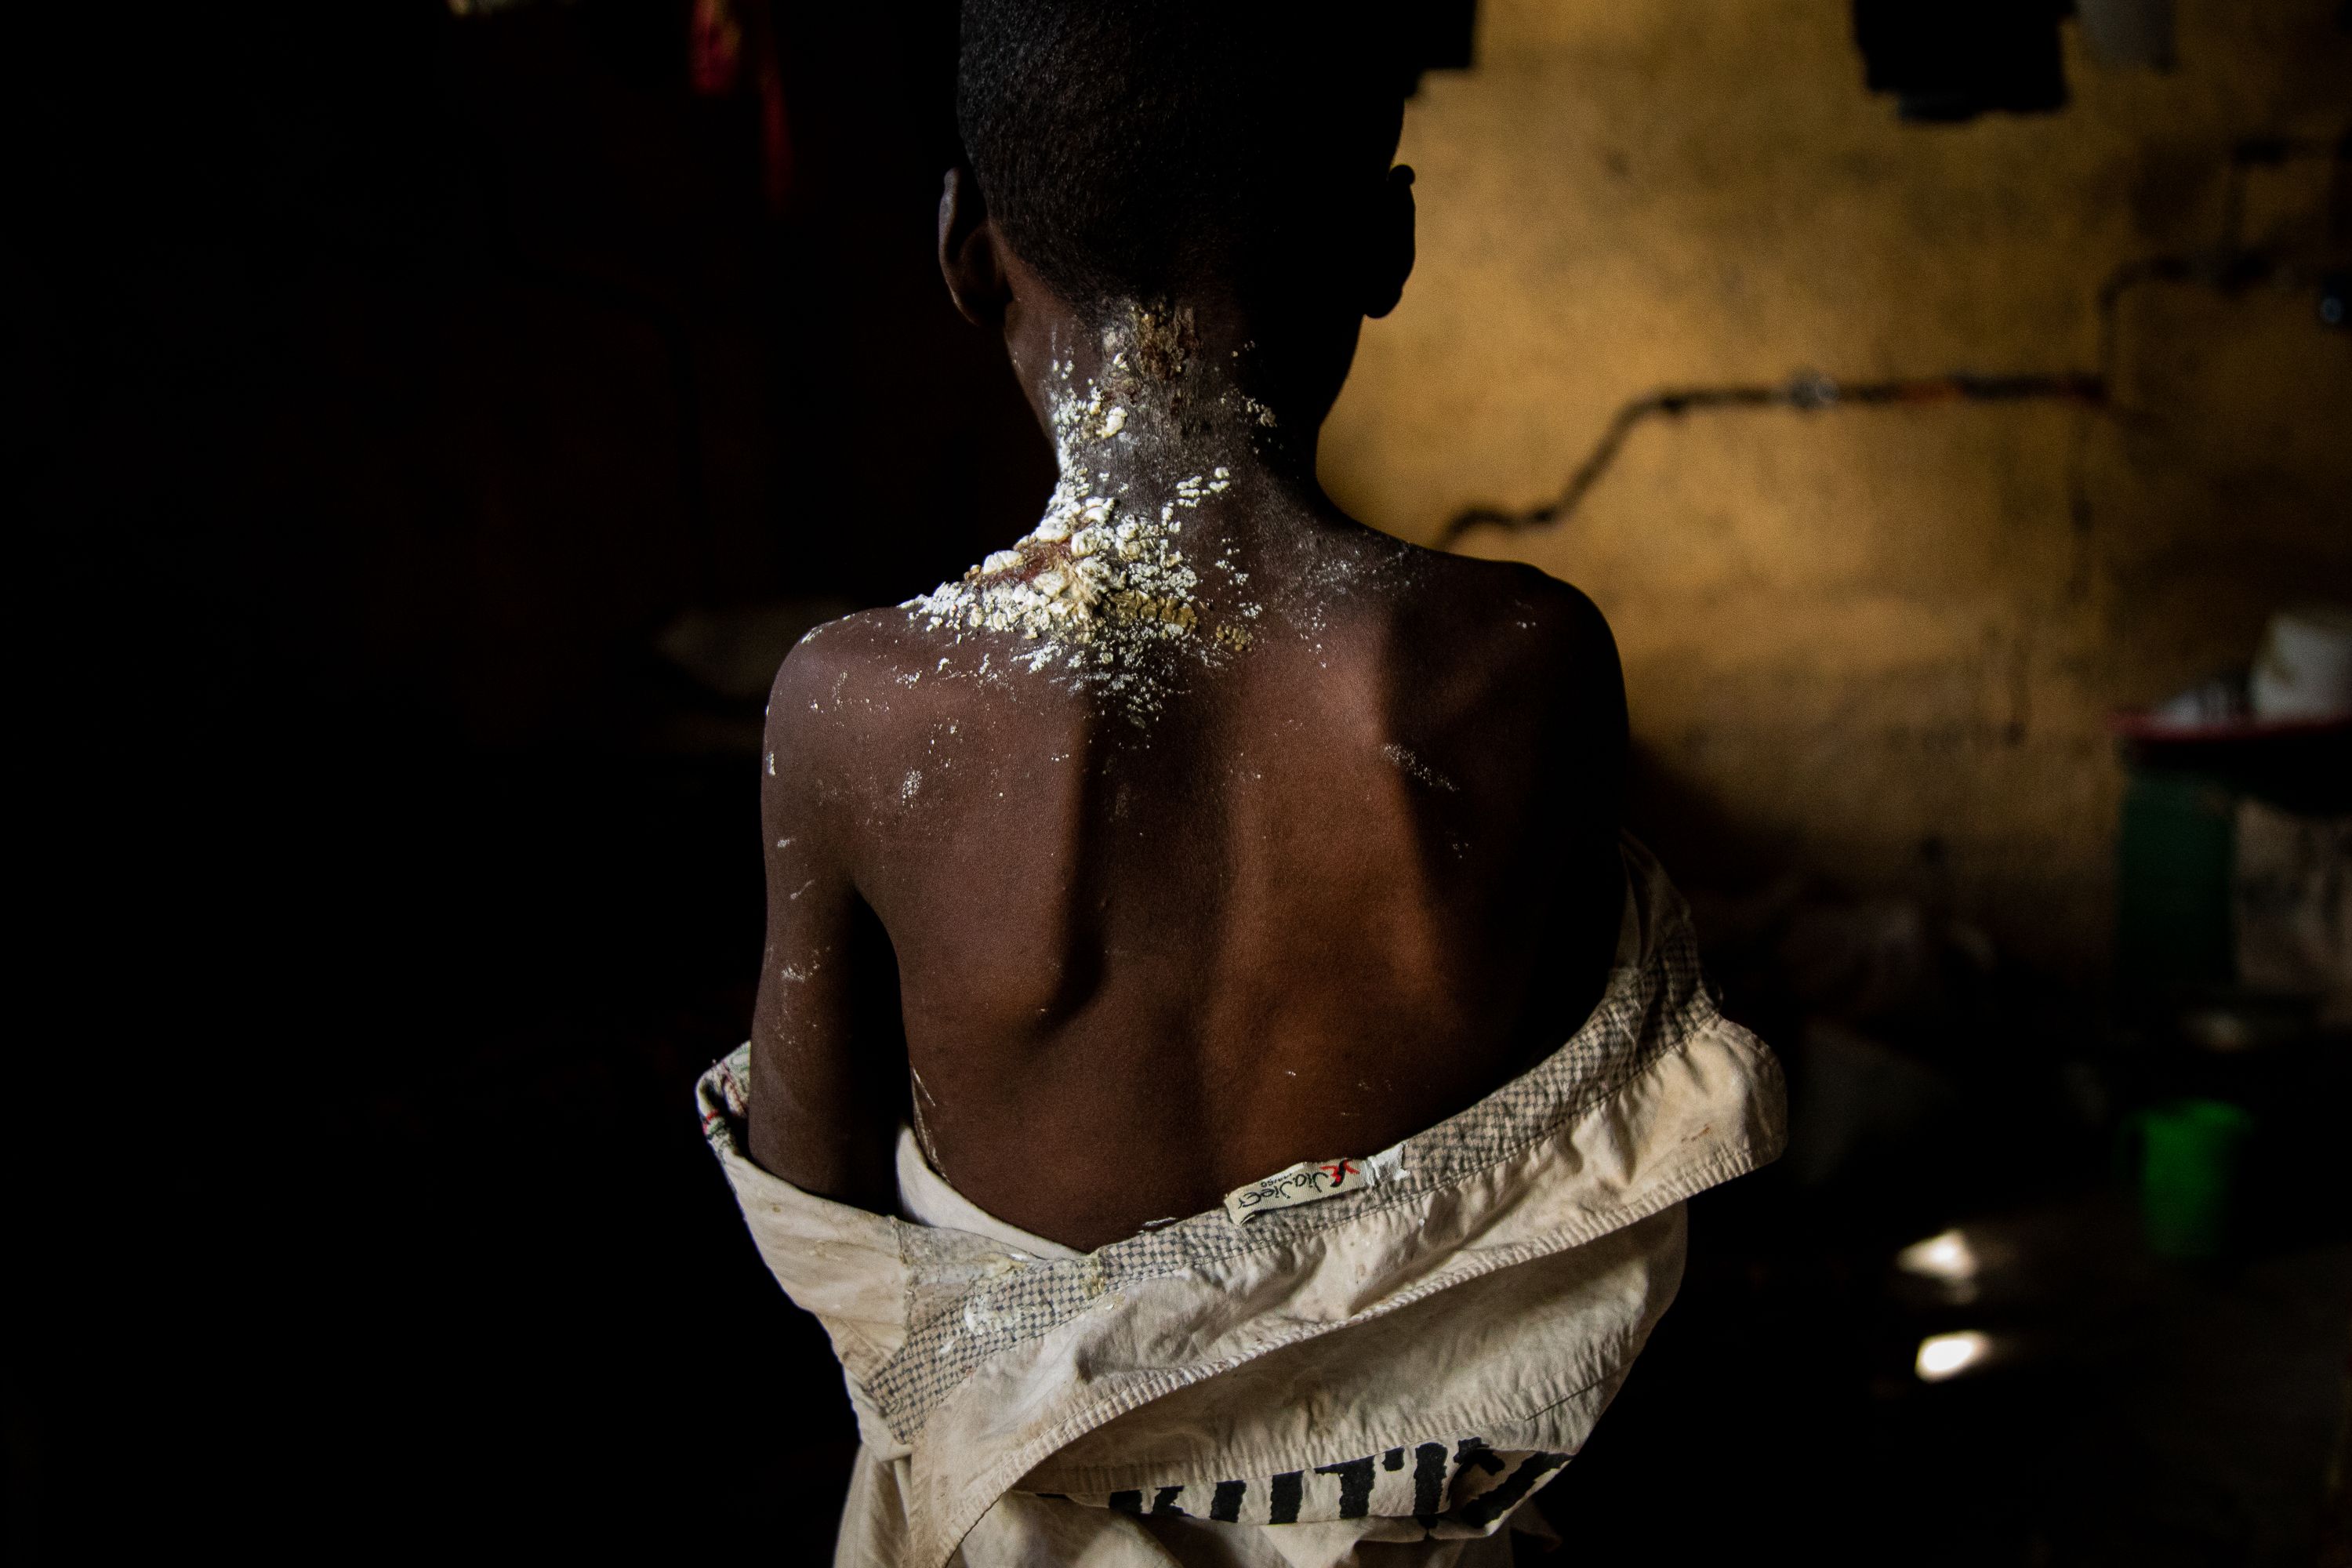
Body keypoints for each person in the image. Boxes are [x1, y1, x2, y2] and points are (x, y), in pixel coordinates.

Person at [696, 4, 1784, 1563]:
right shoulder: (1522, 674)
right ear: (1386, 245)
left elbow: (817, 1209)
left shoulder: (856, 716)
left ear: (965, 249)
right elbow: (1555, 1167)